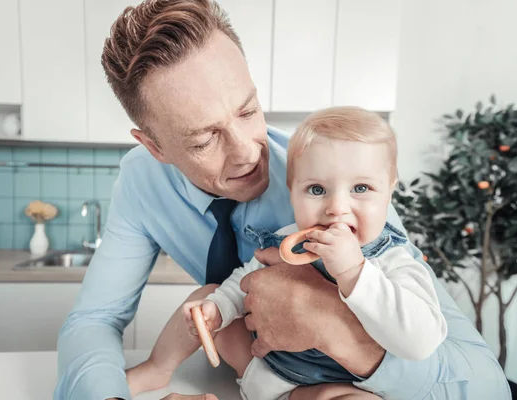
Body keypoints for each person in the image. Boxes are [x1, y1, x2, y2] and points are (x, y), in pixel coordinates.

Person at [54, 1, 511, 399]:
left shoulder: (338, 192)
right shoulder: (141, 180)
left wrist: (335, 329)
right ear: (154, 147)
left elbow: (486, 385)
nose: (246, 152)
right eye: (204, 139)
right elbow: (95, 318)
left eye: (248, 110)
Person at [126, 106, 449, 400]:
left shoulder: (394, 260)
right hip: (269, 373)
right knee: (207, 295)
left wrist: (353, 272)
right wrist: (218, 309)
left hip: (343, 387)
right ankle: (157, 367)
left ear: (389, 191)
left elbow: (419, 343)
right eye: (317, 190)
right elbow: (245, 283)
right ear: (293, 192)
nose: (336, 208)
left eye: (361, 189)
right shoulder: (286, 242)